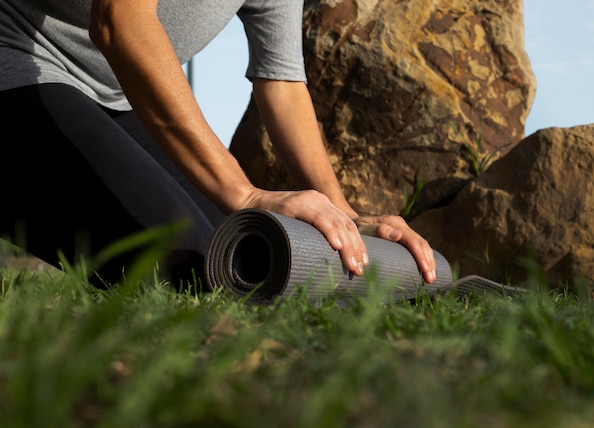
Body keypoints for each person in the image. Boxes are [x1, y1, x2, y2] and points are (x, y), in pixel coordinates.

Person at [0, 0, 436, 288]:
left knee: (245, 253)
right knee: (197, 268)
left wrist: (347, 220)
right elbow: (120, 23)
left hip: (112, 98)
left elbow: (281, 83)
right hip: (13, 59)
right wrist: (247, 194)